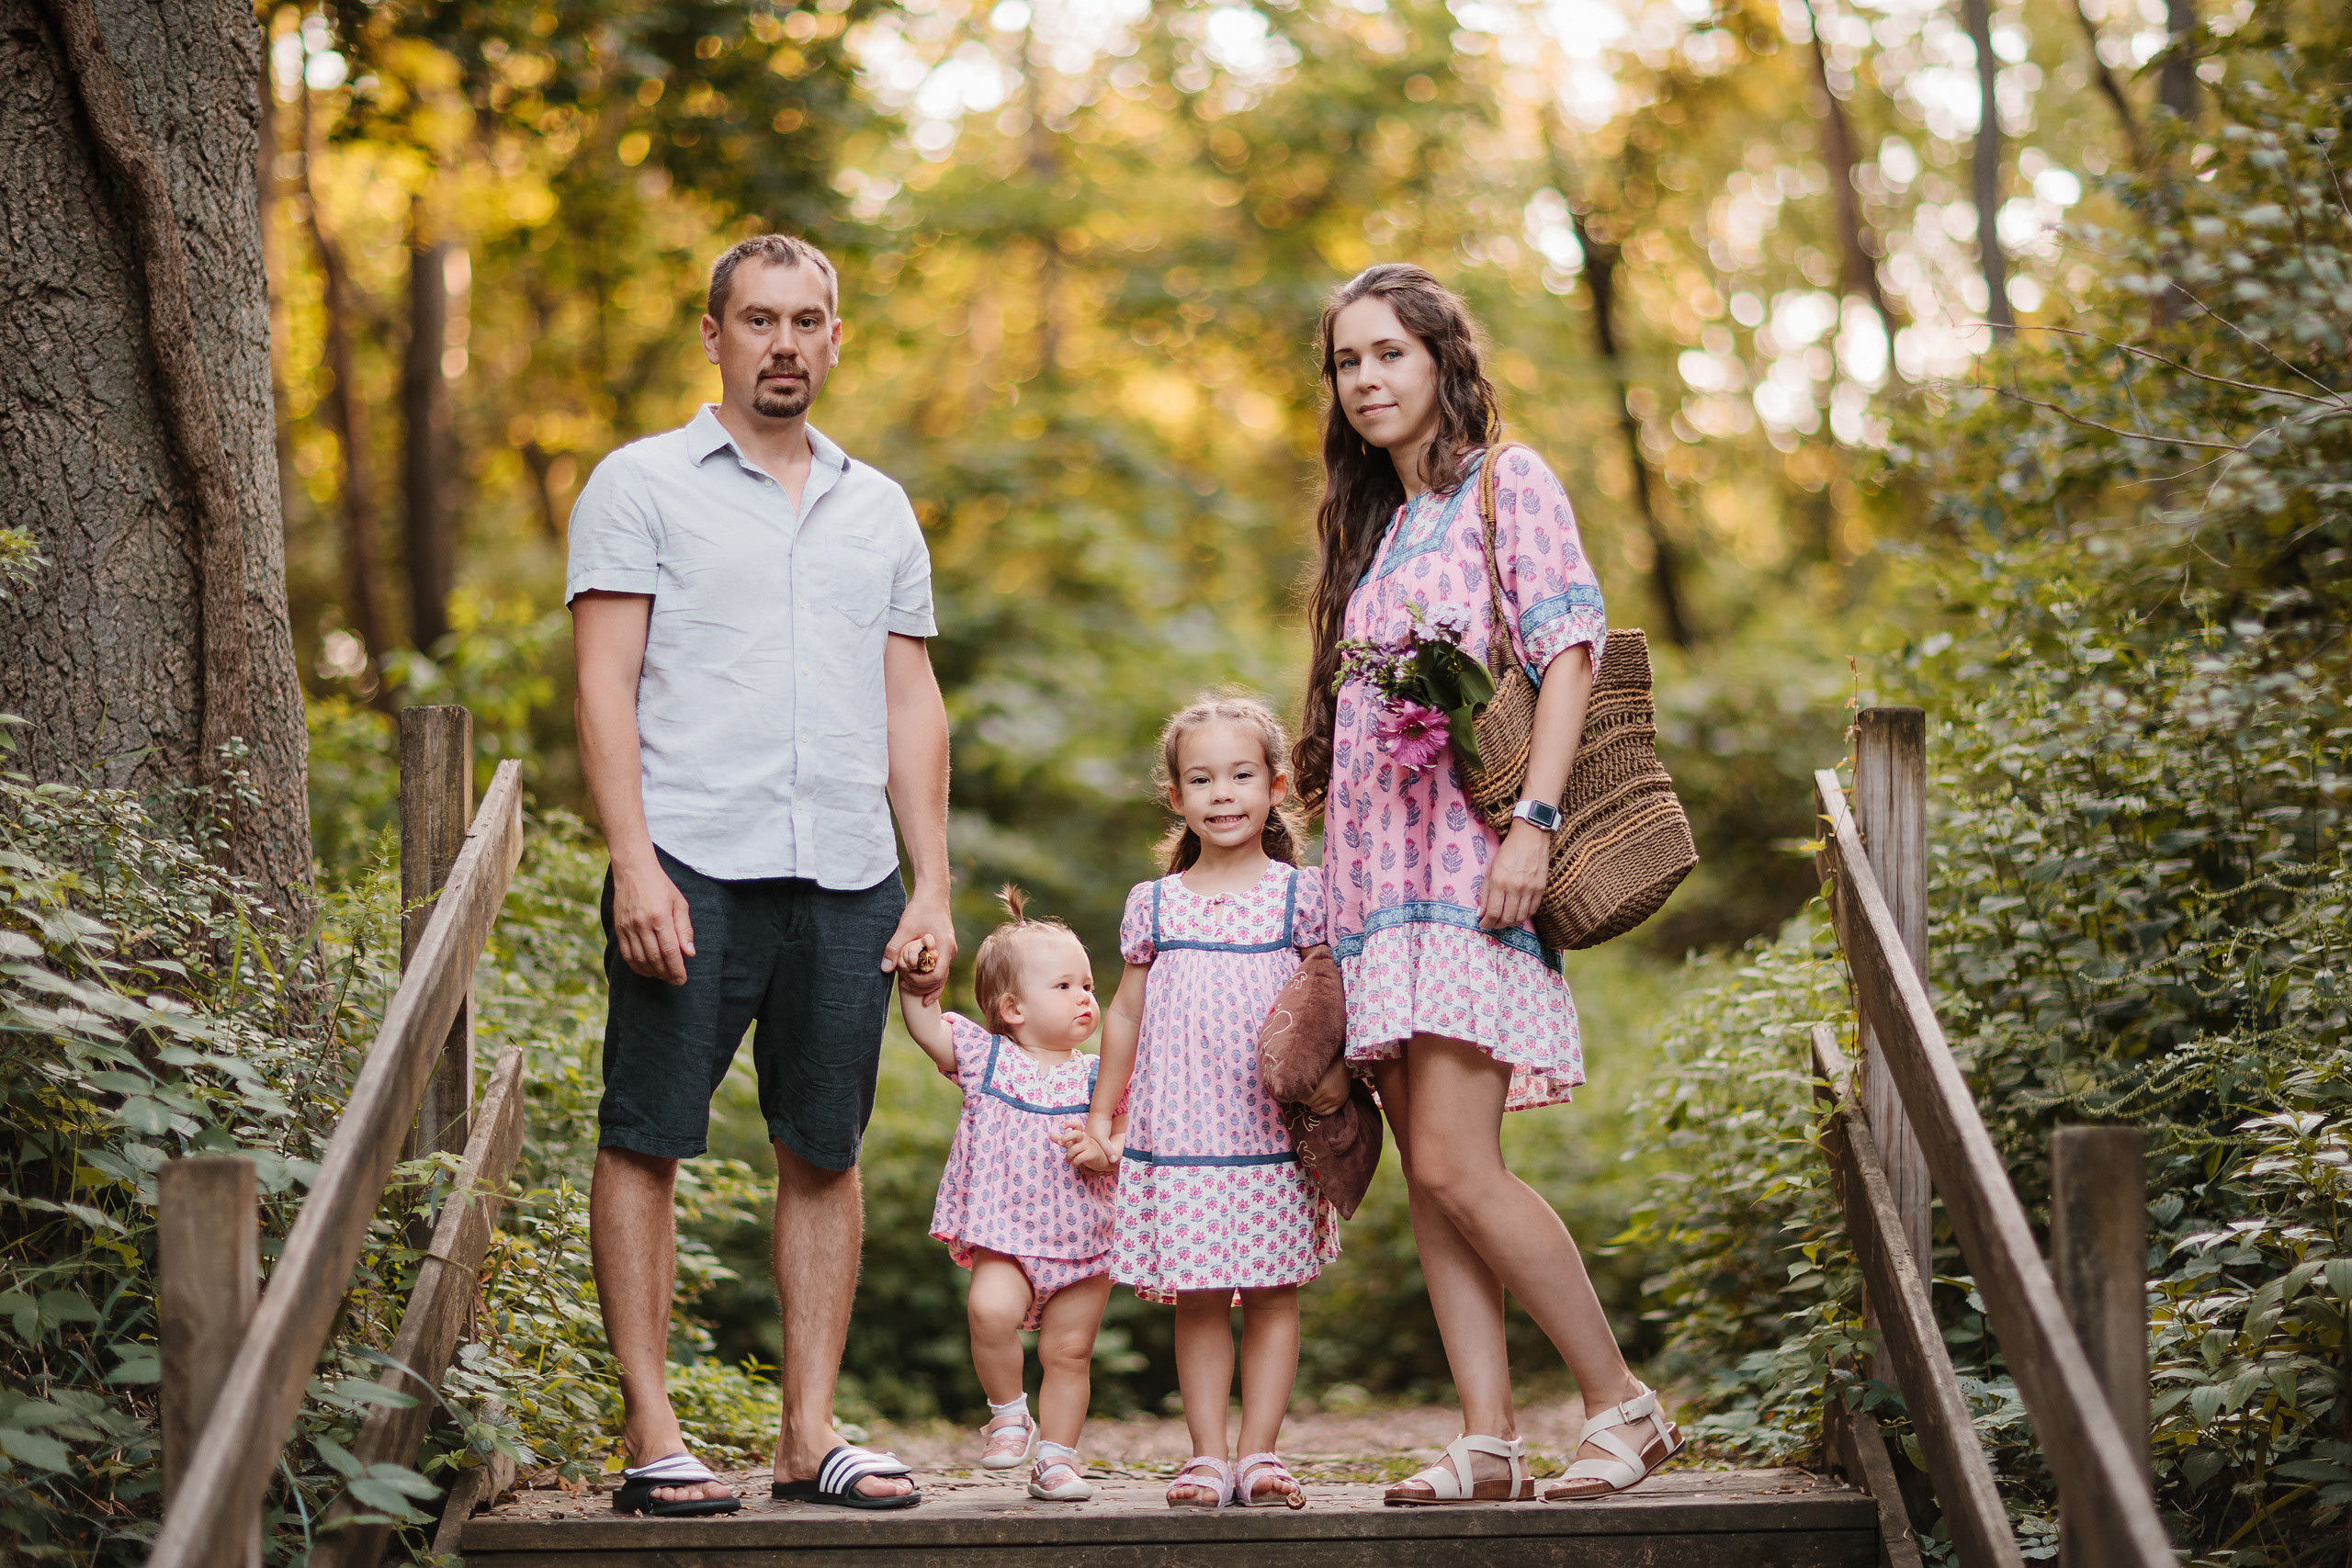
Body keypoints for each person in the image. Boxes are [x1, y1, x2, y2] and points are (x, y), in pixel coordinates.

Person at [568, 233, 953, 1515]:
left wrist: (933, 882)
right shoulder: (640, 485)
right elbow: (603, 687)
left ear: (836, 338)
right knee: (648, 1134)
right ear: (715, 334)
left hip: (847, 875)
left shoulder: (878, 505)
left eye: (807, 321)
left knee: (824, 1150)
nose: (783, 343)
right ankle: (652, 1424)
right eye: (759, 321)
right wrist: (634, 862)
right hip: (690, 859)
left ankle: (807, 1431)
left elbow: (911, 701)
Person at [1294, 264, 1682, 1505]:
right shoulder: (1380, 525)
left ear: (1441, 359)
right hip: (1376, 896)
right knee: (1428, 1174)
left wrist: (1536, 820)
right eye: (1347, 361)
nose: (1366, 380)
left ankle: (1623, 1404)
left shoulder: (1510, 482)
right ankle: (1488, 1436)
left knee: (1463, 1162)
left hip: (1472, 877)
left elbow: (1567, 653)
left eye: (1388, 354)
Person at [1080, 694, 1350, 1510]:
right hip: (1183, 1129)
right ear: (1176, 796)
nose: (1222, 793)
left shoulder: (1300, 895)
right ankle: (1204, 1455)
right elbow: (1125, 1011)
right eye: (1202, 778)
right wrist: (1105, 1109)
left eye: (1240, 775)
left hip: (1270, 1134)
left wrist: (1341, 1077)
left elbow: (1329, 996)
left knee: (1272, 1293)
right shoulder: (1153, 904)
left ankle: (1261, 1454)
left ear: (1275, 787)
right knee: (1198, 1295)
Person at [896, 888, 1122, 1503]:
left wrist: (1109, 1147)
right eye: (1066, 985)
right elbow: (924, 1022)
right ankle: (1009, 1412)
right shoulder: (986, 1058)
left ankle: (1057, 1459)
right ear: (1013, 1008)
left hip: (1085, 1243)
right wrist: (919, 979)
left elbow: (1134, 1130)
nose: (1085, 996)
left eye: (1088, 984)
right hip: (1006, 1233)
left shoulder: (1102, 1073)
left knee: (1069, 1352)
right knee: (989, 1311)